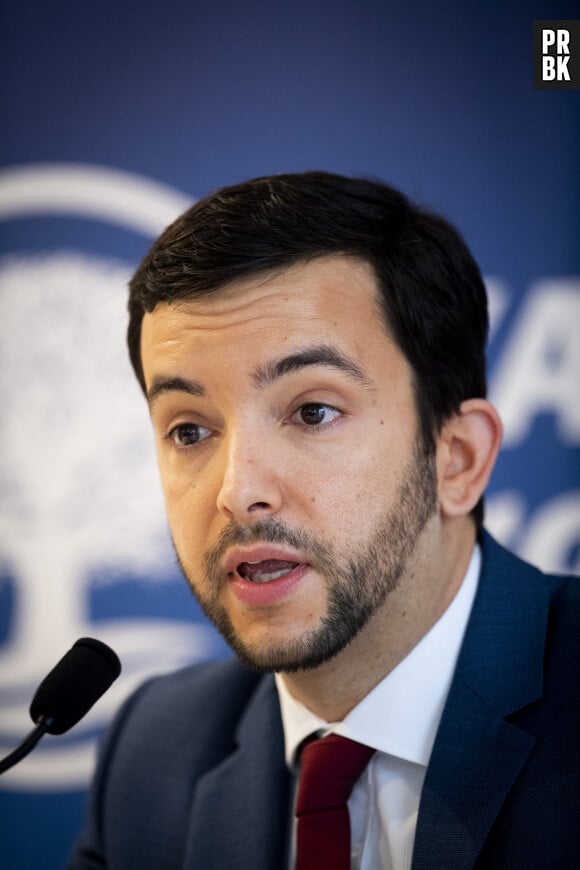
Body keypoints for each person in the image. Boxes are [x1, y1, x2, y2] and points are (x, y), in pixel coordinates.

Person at [69, 172, 579, 869]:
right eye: (189, 431)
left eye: (312, 412)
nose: (237, 492)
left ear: (456, 459)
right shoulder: (156, 751)